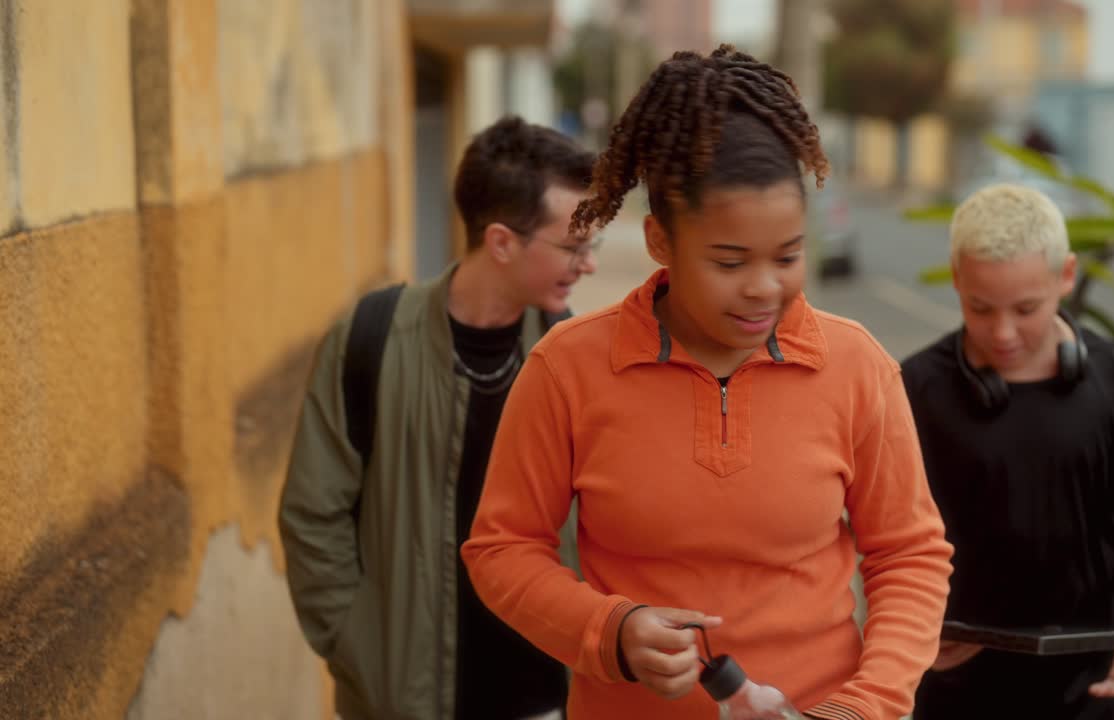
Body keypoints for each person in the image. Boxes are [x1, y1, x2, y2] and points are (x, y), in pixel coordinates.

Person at [461, 45, 953, 720]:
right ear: (661, 241)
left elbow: (910, 555)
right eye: (729, 261)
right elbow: (501, 549)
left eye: (788, 256)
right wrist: (612, 632)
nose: (763, 288)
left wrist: (867, 706)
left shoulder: (858, 366)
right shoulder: (566, 366)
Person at [278, 115, 600, 720]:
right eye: (573, 246)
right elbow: (312, 513)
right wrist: (356, 645)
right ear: (502, 242)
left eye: (591, 246)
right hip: (402, 696)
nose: (586, 264)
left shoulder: (574, 358)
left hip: (542, 697)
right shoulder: (370, 337)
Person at [902, 184, 1114, 719]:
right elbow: (881, 536)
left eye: (1026, 308)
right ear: (957, 277)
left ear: (1066, 276)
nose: (1002, 331)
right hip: (961, 695)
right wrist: (907, 629)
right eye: (979, 307)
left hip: (1103, 693)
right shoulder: (914, 389)